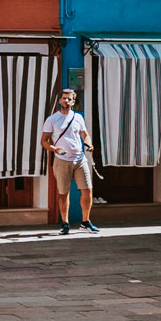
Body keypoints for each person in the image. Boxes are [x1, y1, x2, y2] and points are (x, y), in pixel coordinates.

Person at [40, 86, 99, 233]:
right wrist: (53, 149)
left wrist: (89, 144)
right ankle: (65, 223)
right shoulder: (52, 119)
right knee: (63, 192)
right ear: (60, 100)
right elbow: (44, 141)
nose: (66, 100)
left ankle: (85, 221)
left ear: (73, 102)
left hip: (80, 159)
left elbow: (85, 135)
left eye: (69, 98)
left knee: (87, 190)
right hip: (62, 160)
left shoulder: (78, 117)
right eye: (64, 98)